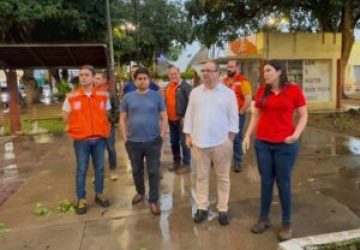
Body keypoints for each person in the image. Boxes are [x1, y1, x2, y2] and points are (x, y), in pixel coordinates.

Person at [242, 60, 308, 241]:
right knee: (266, 182)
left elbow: (303, 115)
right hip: (263, 143)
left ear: (279, 72)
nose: (265, 74)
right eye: (264, 71)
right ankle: (264, 218)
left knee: (283, 183)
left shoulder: (293, 90)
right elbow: (256, 115)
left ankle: (287, 222)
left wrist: (296, 134)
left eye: (269, 70)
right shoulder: (262, 91)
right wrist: (247, 135)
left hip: (285, 145)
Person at [183, 61, 239, 226]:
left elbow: (234, 118)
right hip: (199, 143)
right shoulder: (195, 93)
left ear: (217, 73)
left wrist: (230, 140)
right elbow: (189, 115)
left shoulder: (228, 94)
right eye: (203, 71)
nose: (205, 73)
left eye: (209, 71)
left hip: (222, 143)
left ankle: (223, 208)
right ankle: (202, 207)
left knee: (223, 178)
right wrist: (188, 135)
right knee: (201, 177)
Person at [62, 65, 111, 215]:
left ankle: (99, 194)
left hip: (99, 139)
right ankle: (81, 199)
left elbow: (107, 114)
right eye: (81, 75)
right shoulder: (71, 96)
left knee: (100, 168)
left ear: (92, 77)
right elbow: (65, 117)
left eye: (86, 75)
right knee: (82, 169)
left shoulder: (103, 95)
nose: (83, 77)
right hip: (81, 140)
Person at [119, 67, 167, 215]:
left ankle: (153, 200)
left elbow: (164, 117)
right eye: (139, 79)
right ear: (135, 81)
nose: (142, 81)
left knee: (153, 171)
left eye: (145, 78)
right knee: (136, 170)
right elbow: (122, 119)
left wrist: (161, 136)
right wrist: (125, 139)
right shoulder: (128, 97)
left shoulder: (157, 96)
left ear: (149, 80)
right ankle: (140, 192)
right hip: (133, 142)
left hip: (153, 141)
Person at [223, 60, 252, 172]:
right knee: (223, 138)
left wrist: (240, 112)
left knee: (237, 139)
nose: (229, 68)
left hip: (237, 115)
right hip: (224, 116)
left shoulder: (243, 81)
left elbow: (248, 99)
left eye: (231, 67)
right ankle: (223, 161)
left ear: (237, 68)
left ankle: (237, 162)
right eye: (228, 66)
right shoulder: (224, 81)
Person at [164, 65, 192, 174]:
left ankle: (187, 164)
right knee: (173, 142)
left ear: (179, 74)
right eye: (171, 74)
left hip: (182, 120)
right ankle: (176, 162)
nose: (173, 76)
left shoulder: (186, 87)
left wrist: (186, 117)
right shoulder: (168, 87)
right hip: (171, 120)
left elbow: (192, 103)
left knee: (184, 143)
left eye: (175, 74)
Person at [94, 71, 120, 181]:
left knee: (110, 148)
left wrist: (111, 120)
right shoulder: (92, 93)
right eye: (95, 78)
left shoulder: (111, 94)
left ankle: (113, 170)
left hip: (108, 127)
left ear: (105, 80)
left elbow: (117, 109)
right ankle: (98, 173)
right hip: (95, 127)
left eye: (98, 78)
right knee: (96, 150)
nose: (95, 80)